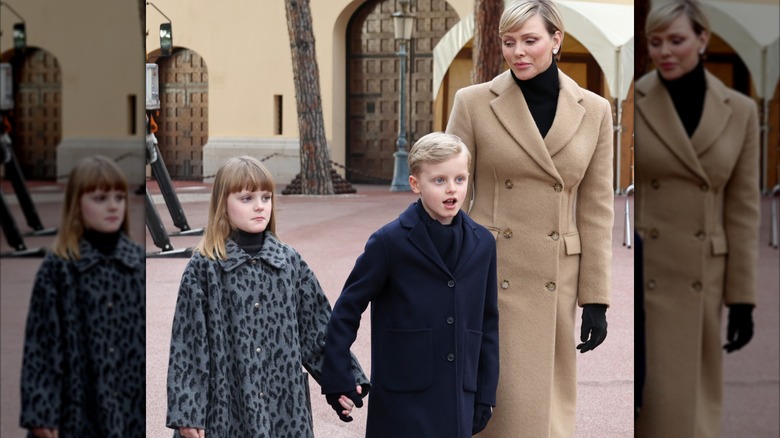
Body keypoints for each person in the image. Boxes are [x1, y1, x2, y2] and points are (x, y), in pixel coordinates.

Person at [445, 0, 615, 435]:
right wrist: (440, 268)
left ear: (556, 41)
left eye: (530, 40)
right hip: (489, 270)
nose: (518, 51)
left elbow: (596, 208)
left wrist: (596, 297)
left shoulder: (594, 109)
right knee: (498, 399)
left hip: (556, 273)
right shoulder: (473, 102)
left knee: (548, 405)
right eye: (508, 42)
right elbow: (449, 190)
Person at [165, 155, 370, 438]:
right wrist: (188, 411)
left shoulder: (289, 262)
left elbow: (318, 329)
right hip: (225, 408)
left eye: (266, 197)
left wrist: (342, 378)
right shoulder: (205, 267)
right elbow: (187, 345)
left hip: (283, 406)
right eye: (247, 198)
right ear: (223, 203)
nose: (260, 205)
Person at [321, 132, 500, 437]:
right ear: (415, 184)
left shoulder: (483, 243)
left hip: (458, 394)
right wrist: (338, 376)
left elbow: (488, 322)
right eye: (439, 180)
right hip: (402, 400)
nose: (451, 189)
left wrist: (485, 394)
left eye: (459, 179)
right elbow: (348, 308)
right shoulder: (388, 242)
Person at [634, 1, 760, 436]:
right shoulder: (636, 95)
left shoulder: (741, 111)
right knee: (647, 407)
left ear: (702, 40)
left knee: (688, 412)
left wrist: (742, 298)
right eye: (655, 42)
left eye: (676, 40)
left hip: (701, 276)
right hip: (643, 275)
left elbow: (743, 209)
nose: (665, 52)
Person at [19, 155, 145, 438]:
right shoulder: (59, 268)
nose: (113, 206)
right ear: (77, 205)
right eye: (100, 198)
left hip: (130, 406)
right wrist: (41, 410)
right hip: (77, 406)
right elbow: (41, 345)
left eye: (118, 197)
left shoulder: (137, 264)